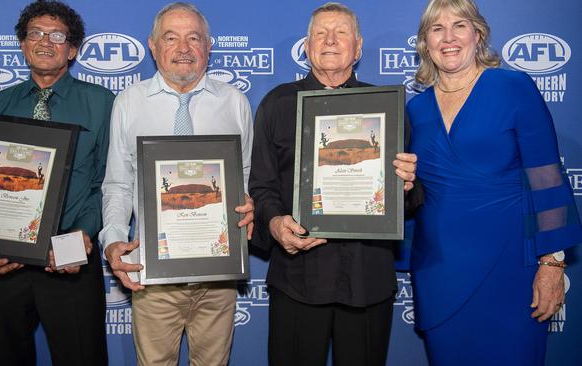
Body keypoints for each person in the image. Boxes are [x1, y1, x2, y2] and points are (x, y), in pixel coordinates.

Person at [407, 0, 582, 364]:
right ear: (425, 42)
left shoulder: (513, 87)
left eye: (459, 25)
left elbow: (547, 177)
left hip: (510, 268)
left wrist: (552, 264)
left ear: (478, 34)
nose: (448, 37)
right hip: (439, 272)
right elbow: (411, 192)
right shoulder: (414, 110)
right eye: (436, 29)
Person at [249, 3, 419, 365]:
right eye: (320, 34)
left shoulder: (386, 107)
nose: (329, 40)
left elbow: (413, 195)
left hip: (367, 281)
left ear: (357, 48)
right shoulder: (277, 104)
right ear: (307, 47)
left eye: (340, 32)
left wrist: (406, 186)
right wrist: (276, 223)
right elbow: (261, 186)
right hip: (298, 279)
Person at [99, 3, 253, 365]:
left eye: (193, 37)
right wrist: (113, 239)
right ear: (153, 46)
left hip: (218, 275)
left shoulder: (235, 103)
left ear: (208, 46)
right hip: (153, 276)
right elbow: (118, 184)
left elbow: (245, 178)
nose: (183, 48)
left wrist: (249, 205)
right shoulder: (129, 102)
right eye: (171, 38)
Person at [0, 1, 113, 365]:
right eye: (35, 33)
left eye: (57, 35)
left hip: (69, 259)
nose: (44, 42)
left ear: (72, 49)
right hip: (4, 260)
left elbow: (107, 182)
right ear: (22, 44)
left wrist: (82, 236)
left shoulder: (101, 103)